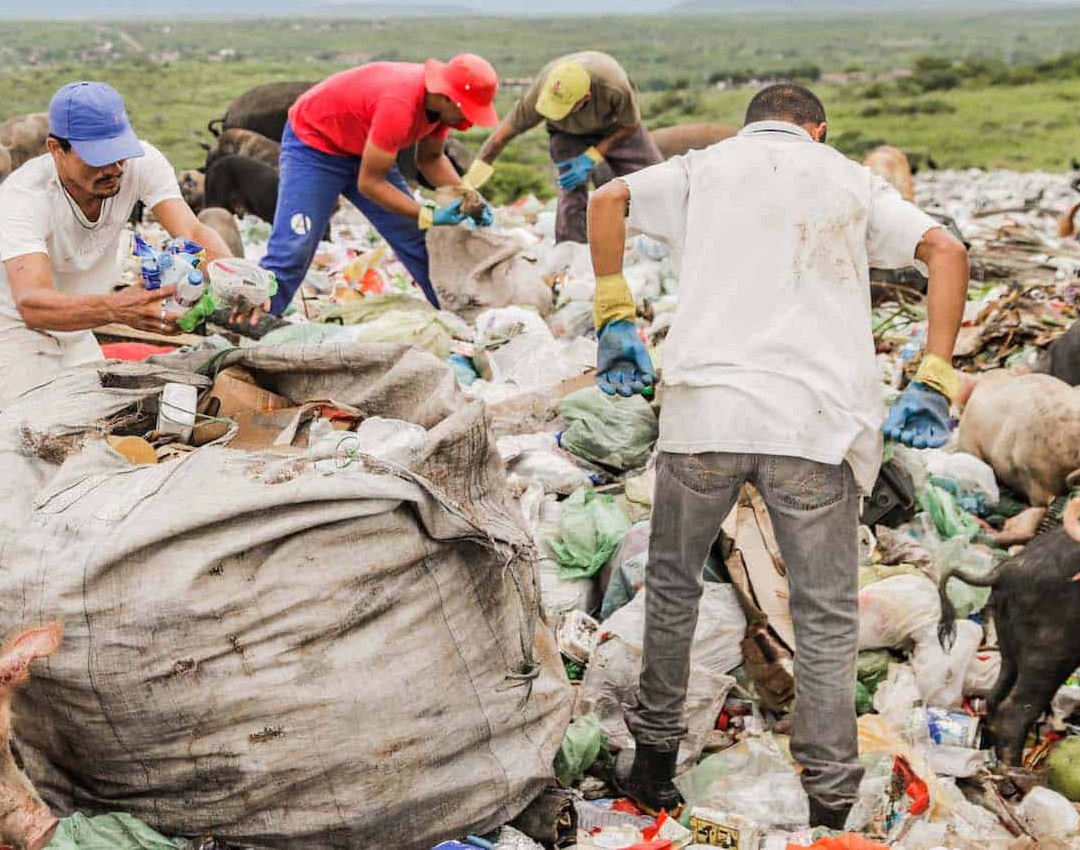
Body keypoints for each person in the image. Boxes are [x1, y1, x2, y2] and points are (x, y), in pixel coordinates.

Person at [585, 84, 968, 827]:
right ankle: (830, 800)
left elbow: (610, 200)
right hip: (815, 431)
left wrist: (612, 312)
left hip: (705, 416)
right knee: (824, 619)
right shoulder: (852, 179)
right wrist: (936, 375)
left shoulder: (704, 168)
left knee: (671, 591)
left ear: (750, 124)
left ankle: (656, 766)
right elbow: (946, 248)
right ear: (817, 130)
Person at [0, 80, 235, 415]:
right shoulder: (24, 198)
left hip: (76, 327)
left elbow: (191, 229)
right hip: (9, 333)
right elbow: (31, 303)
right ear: (55, 149)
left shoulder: (138, 164)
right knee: (42, 437)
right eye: (98, 158)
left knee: (101, 420)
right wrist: (120, 309)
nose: (114, 168)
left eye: (119, 153)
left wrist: (236, 277)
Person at [261, 54, 502, 315]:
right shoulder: (399, 103)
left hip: (365, 150)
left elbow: (431, 159)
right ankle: (257, 316)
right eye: (466, 109)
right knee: (296, 244)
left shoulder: (441, 108)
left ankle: (461, 318)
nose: (469, 119)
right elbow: (370, 183)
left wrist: (469, 197)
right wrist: (427, 214)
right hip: (315, 145)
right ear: (446, 96)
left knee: (419, 241)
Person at [465, 51, 661, 244]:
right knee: (571, 194)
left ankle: (667, 236)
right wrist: (467, 185)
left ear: (585, 97)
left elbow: (631, 125)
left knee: (657, 180)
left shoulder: (613, 85)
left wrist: (593, 156)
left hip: (615, 128)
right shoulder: (538, 94)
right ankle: (571, 252)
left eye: (564, 108)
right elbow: (500, 137)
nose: (558, 112)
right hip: (568, 135)